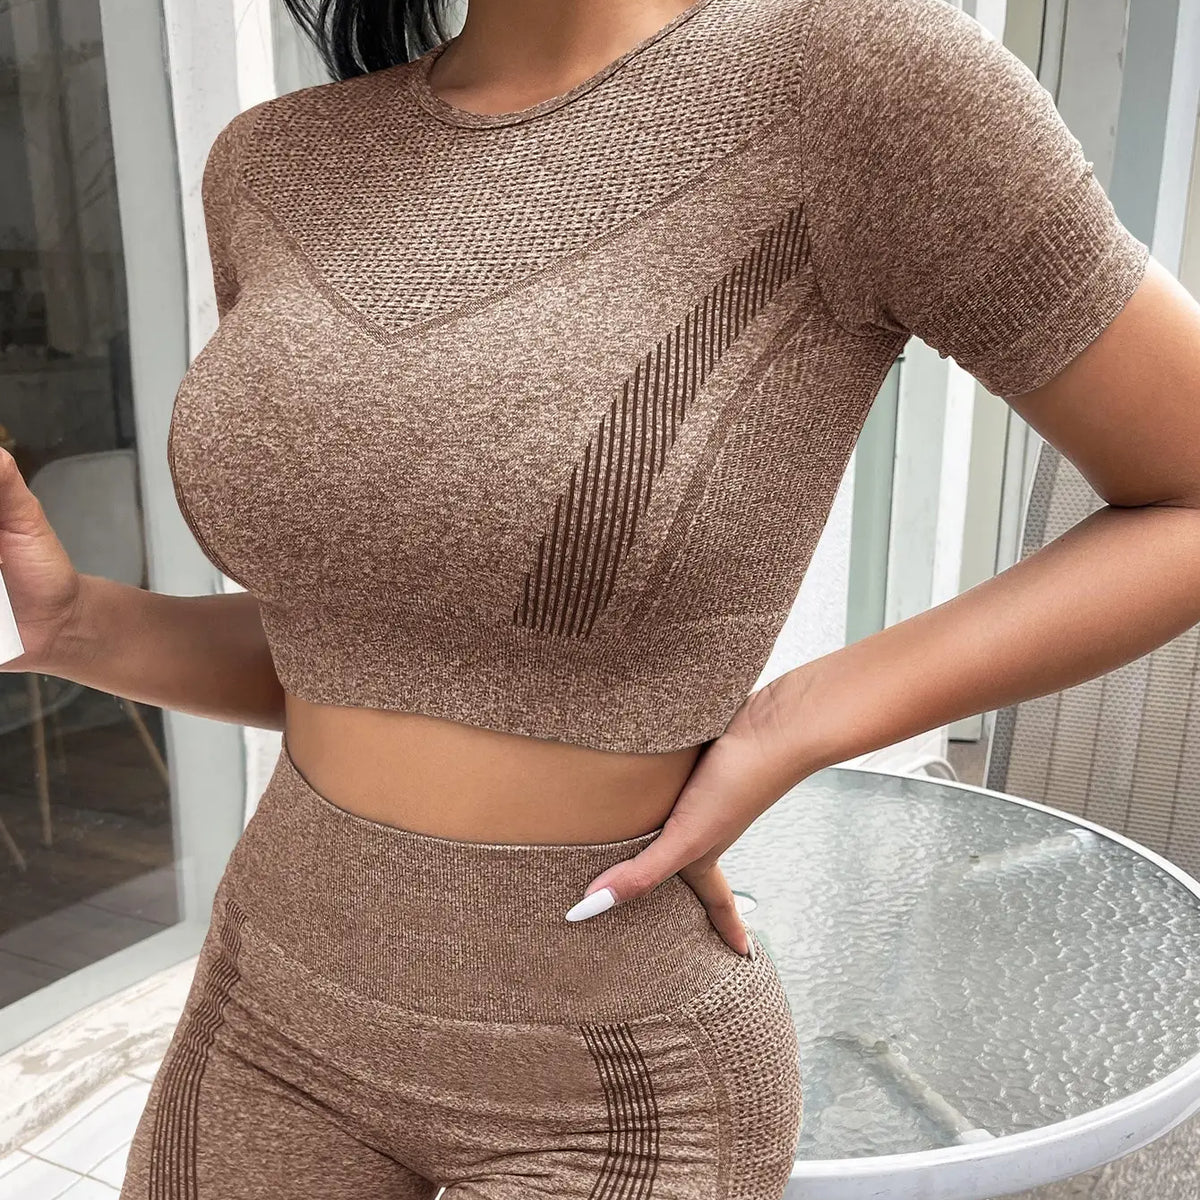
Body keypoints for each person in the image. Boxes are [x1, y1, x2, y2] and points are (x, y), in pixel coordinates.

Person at [3, 0, 1199, 1195]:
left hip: (611, 1085)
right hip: (268, 1011)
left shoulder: (858, 85)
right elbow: (365, 644)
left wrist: (793, 722)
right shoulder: (274, 163)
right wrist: (76, 624)